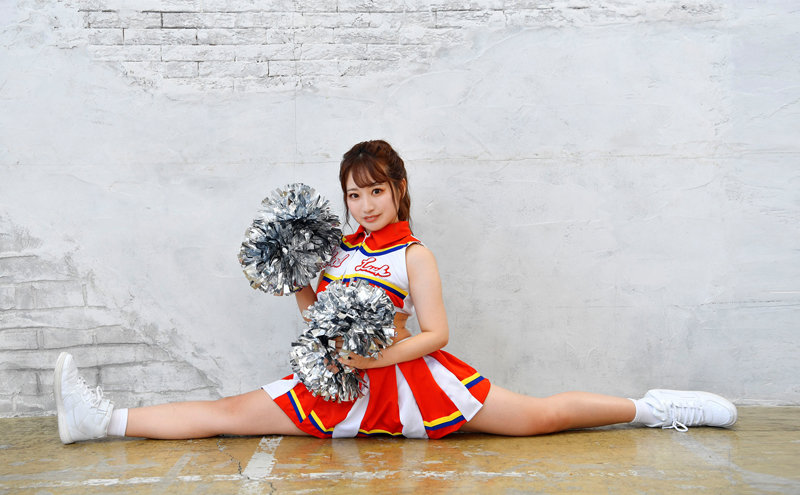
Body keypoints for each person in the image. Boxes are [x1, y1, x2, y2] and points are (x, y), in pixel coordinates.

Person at [53, 140, 737, 444]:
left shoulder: (415, 255)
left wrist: (375, 357)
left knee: (540, 416)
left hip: (414, 381)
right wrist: (298, 282)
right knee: (227, 413)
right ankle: (101, 421)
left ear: (399, 188)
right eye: (354, 194)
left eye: (376, 190)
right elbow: (317, 324)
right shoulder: (335, 251)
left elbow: (437, 334)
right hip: (339, 387)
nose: (366, 204)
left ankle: (655, 407)